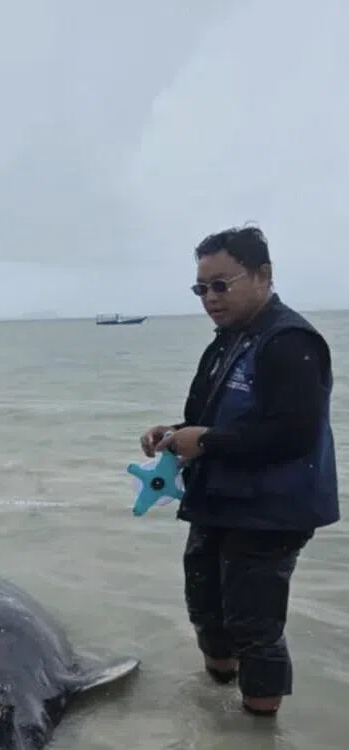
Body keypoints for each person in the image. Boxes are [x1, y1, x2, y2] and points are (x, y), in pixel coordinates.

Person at [140, 225, 339, 717]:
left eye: (221, 285)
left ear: (263, 275)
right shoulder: (230, 340)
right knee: (206, 608)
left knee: (254, 626)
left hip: (272, 512)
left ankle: (258, 727)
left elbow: (292, 435)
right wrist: (175, 432)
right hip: (221, 499)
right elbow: (211, 418)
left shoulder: (291, 342)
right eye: (201, 288)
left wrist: (203, 440)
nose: (209, 298)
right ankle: (215, 718)